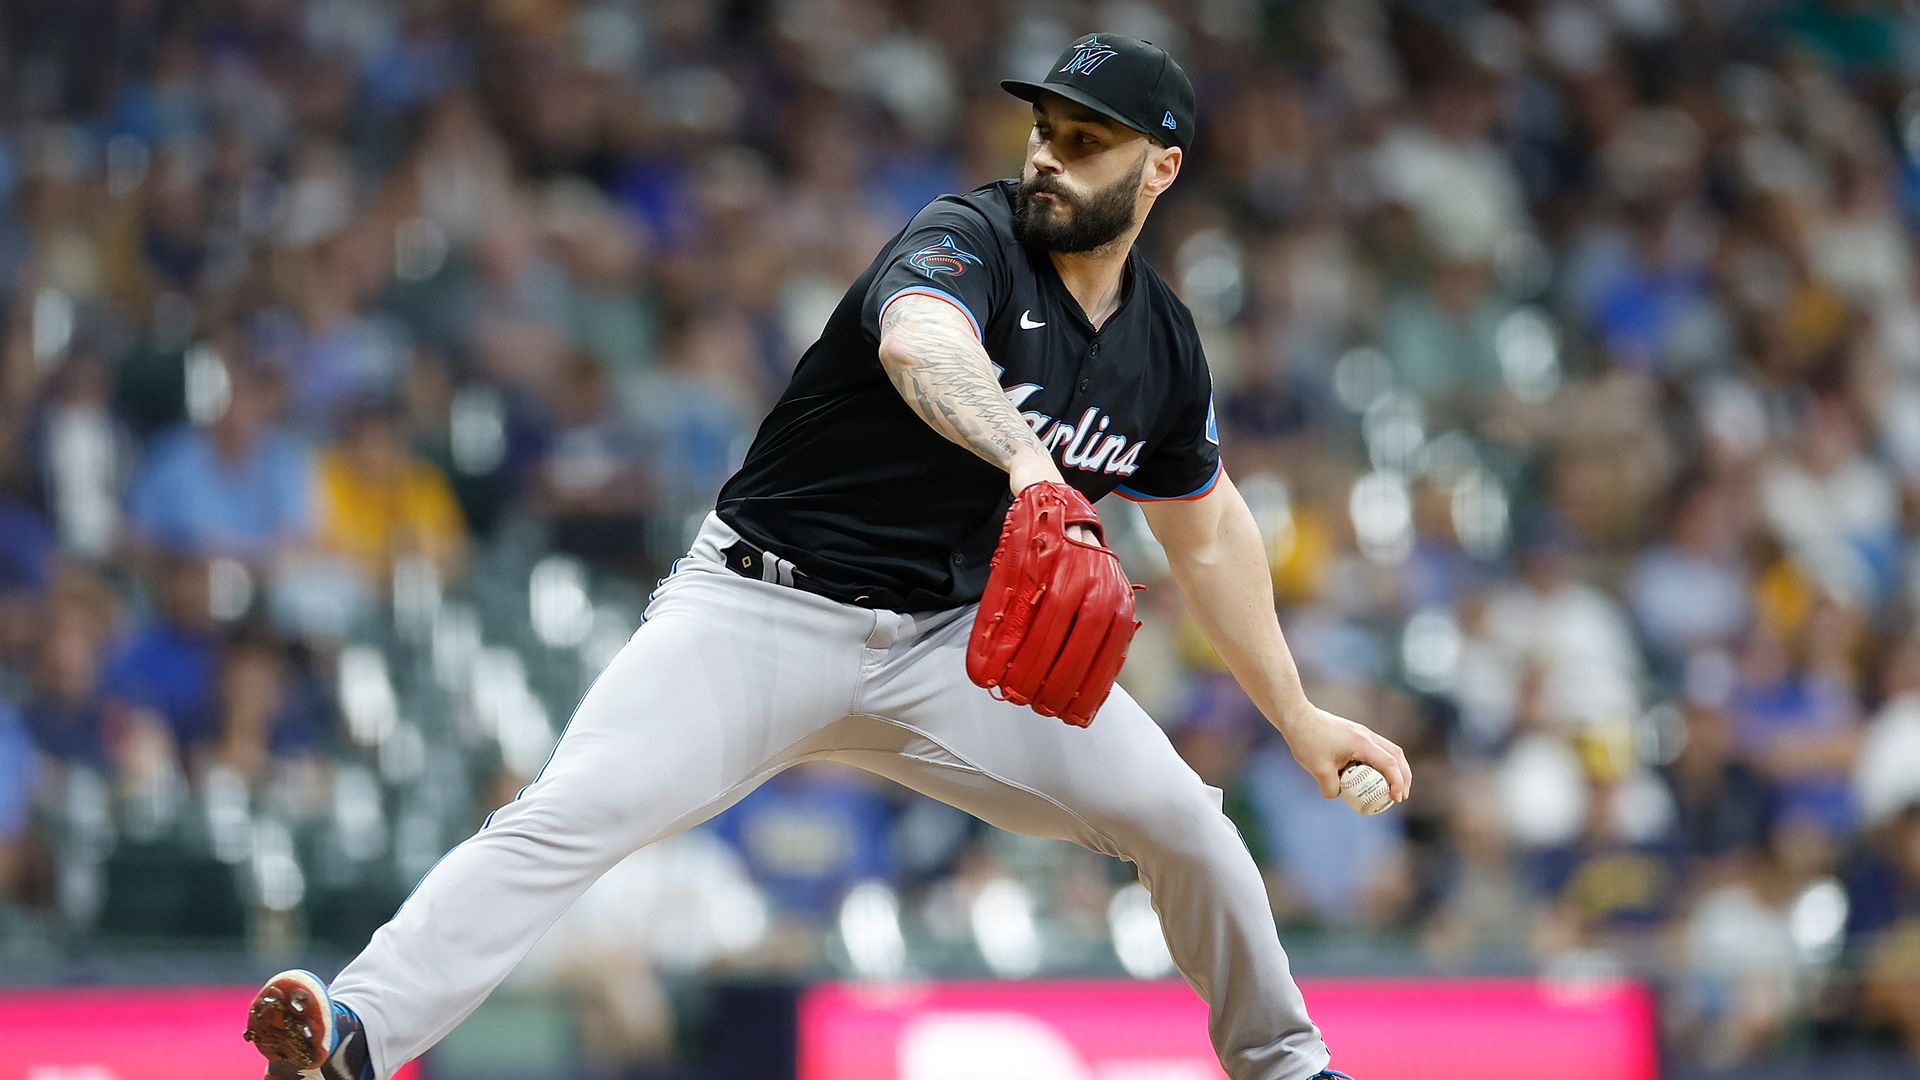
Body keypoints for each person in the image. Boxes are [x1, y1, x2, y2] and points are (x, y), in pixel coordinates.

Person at [243, 34, 1409, 1080]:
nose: (1050, 155)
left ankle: (1285, 1069)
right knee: (570, 813)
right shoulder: (972, 236)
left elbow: (1208, 528)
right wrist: (1028, 460)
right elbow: (919, 342)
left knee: (1187, 825)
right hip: (761, 611)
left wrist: (1298, 716)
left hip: (953, 649)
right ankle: (353, 1031)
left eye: (1087, 139)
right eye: (1045, 128)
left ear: (1161, 167)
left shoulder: (1163, 345)